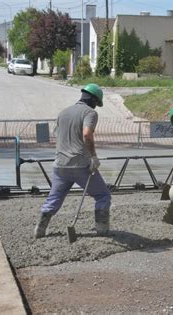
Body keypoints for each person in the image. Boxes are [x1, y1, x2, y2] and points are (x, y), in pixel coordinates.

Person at [34, 84, 111, 238]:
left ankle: (40, 229)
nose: (96, 106)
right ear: (93, 99)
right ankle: (102, 230)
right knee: (103, 195)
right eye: (97, 102)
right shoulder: (90, 113)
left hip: (60, 165)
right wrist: (93, 157)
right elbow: (87, 134)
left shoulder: (63, 113)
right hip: (80, 165)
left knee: (54, 197)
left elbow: (58, 135)